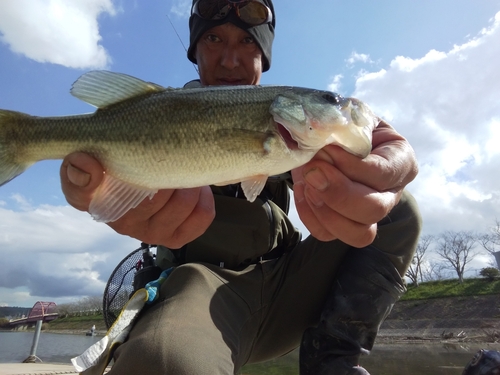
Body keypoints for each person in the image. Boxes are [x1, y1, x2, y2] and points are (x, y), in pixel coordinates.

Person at [60, 0, 422, 374]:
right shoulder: (159, 113)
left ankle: (333, 360)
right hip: (197, 288)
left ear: (264, 58)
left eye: (248, 43)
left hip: (290, 286)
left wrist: (374, 152)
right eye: (214, 38)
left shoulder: (291, 127)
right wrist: (110, 191)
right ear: (195, 51)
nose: (230, 60)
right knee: (164, 362)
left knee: (396, 209)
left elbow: (357, 150)